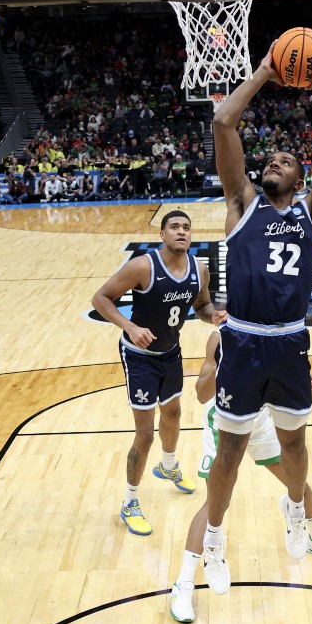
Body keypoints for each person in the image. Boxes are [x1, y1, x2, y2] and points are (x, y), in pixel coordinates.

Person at [201, 43, 312, 593]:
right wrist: (267, 70)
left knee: (294, 446)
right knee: (232, 452)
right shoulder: (242, 203)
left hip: (289, 342)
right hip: (242, 340)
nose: (273, 162)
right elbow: (224, 119)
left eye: (286, 161)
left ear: (302, 179)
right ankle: (214, 547)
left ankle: (297, 511)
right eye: (269, 159)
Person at [168, 330, 312, 623]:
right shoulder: (220, 338)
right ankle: (183, 584)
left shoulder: (277, 331)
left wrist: (307, 379)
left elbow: (294, 370)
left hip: (261, 420)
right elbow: (201, 393)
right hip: (226, 420)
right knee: (216, 503)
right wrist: (228, 362)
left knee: (297, 483)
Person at [90, 210, 215, 535]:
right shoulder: (143, 266)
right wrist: (130, 326)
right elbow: (100, 298)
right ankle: (130, 501)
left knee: (173, 413)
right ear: (162, 234)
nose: (181, 232)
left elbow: (202, 307)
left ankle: (168, 466)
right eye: (174, 227)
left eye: (186, 227)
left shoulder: (199, 269)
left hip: (171, 352)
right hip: (139, 357)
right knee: (145, 434)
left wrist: (214, 315)